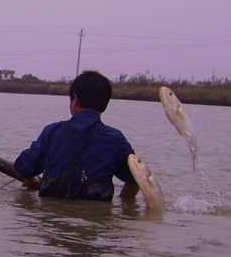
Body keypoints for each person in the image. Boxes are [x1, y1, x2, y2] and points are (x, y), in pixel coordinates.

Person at [14, 70, 139, 201]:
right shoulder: (115, 139)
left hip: (52, 218)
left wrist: (31, 180)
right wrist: (123, 202)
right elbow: (136, 179)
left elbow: (23, 166)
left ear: (75, 99)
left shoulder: (53, 131)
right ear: (105, 103)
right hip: (96, 218)